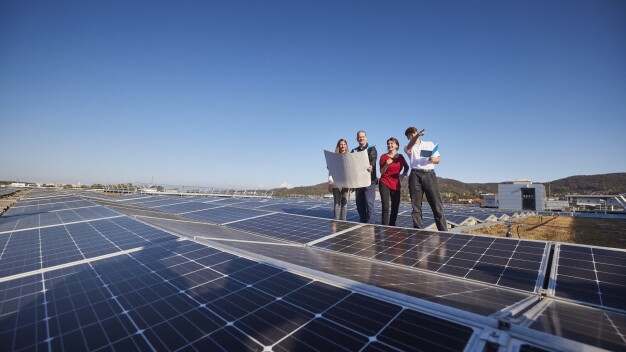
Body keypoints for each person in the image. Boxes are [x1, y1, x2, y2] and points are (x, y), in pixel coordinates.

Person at [404, 127, 448, 231]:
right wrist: (417, 136)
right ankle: (418, 231)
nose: (412, 136)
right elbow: (410, 146)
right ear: (408, 137)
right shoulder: (408, 147)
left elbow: (438, 160)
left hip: (429, 175)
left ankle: (444, 232)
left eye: (413, 133)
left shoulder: (429, 144)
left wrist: (433, 159)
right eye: (410, 135)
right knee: (416, 207)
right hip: (415, 175)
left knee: (437, 205)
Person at [379, 137, 409, 226]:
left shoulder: (401, 157)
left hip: (396, 182)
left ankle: (392, 225)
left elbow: (407, 167)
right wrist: (386, 164)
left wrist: (403, 174)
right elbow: (381, 172)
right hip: (384, 181)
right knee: (385, 206)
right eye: (388, 143)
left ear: (396, 145)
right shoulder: (383, 157)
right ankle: (384, 226)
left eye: (392, 143)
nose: (389, 145)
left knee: (395, 206)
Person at [351, 130, 377, 223]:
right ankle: (362, 221)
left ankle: (371, 223)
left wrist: (371, 166)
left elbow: (373, 159)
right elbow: (351, 164)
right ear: (357, 139)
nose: (361, 138)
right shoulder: (354, 151)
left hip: (369, 180)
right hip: (358, 181)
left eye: (363, 136)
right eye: (359, 137)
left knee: (369, 203)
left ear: (366, 137)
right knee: (359, 203)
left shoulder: (371, 148)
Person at [328, 139, 350, 220]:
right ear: (338, 146)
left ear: (346, 146)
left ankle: (344, 221)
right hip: (336, 184)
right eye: (341, 144)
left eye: (344, 144)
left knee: (344, 204)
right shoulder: (334, 158)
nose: (343, 146)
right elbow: (331, 171)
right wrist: (330, 182)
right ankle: (336, 221)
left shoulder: (350, 157)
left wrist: (352, 184)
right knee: (337, 204)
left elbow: (352, 172)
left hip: (346, 184)